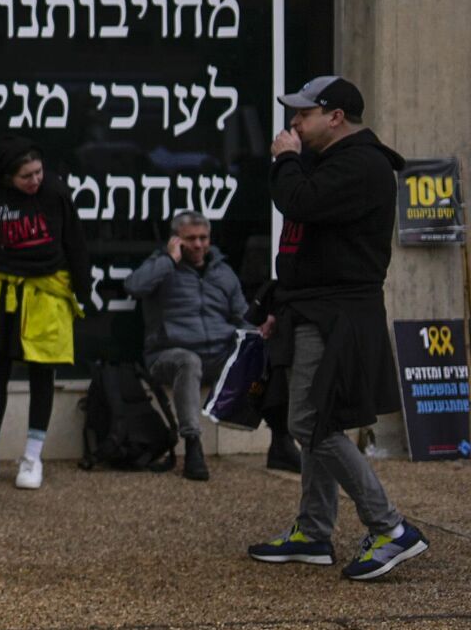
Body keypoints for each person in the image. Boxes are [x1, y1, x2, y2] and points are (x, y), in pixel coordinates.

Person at [246, 75, 428, 580]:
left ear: (335, 117)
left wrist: (285, 159)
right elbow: (309, 243)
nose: (293, 124)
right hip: (313, 308)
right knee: (318, 420)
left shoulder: (363, 166)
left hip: (339, 315)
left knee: (311, 423)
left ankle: (391, 529)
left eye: (304, 114)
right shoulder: (330, 165)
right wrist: (280, 302)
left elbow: (298, 203)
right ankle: (312, 531)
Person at [0, 136, 90, 490]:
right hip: (5, 287)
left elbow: (75, 240)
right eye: (26, 176)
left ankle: (31, 458)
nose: (35, 180)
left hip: (45, 290)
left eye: (38, 172)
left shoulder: (55, 194)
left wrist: (83, 290)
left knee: (42, 372)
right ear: (9, 177)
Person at [122, 210, 294, 482]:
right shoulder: (162, 265)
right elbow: (133, 286)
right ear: (176, 240)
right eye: (191, 239)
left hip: (218, 353)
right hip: (169, 354)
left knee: (268, 353)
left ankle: (281, 441)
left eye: (204, 238)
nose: (199, 244)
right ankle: (192, 445)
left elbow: (242, 316)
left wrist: (260, 334)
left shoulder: (221, 271)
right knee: (188, 362)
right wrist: (169, 259)